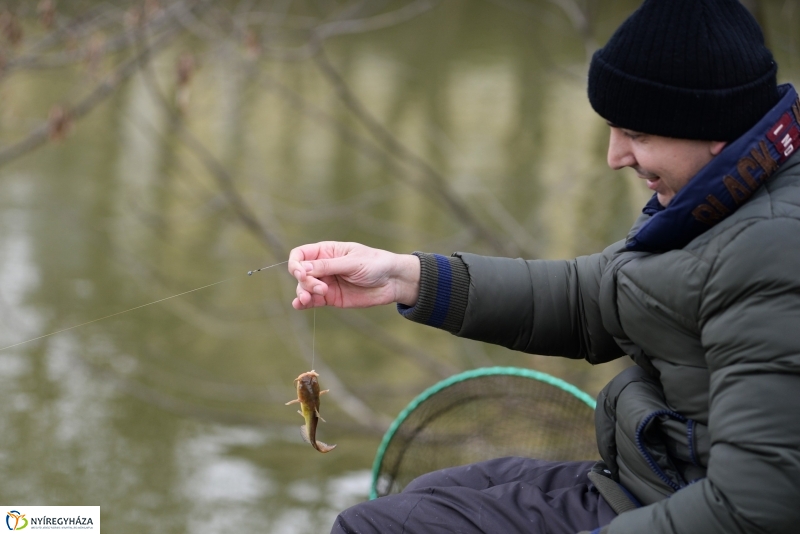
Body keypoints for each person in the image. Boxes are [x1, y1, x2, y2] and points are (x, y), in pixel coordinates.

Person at [288, 0, 800, 532]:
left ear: (714, 130)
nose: (615, 156)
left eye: (638, 135)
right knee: (426, 497)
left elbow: (754, 510)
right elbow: (596, 297)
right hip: (646, 480)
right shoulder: (726, 198)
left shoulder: (772, 253)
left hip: (673, 502)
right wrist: (403, 277)